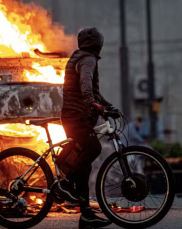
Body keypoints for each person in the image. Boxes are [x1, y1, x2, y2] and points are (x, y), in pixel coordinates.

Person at [57, 27, 114, 229]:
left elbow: (94, 93)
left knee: (84, 166)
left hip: (75, 116)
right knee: (94, 149)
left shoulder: (80, 56)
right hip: (76, 117)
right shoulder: (88, 59)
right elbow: (86, 84)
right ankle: (64, 185)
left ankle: (86, 216)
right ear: (98, 44)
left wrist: (107, 106)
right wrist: (93, 104)